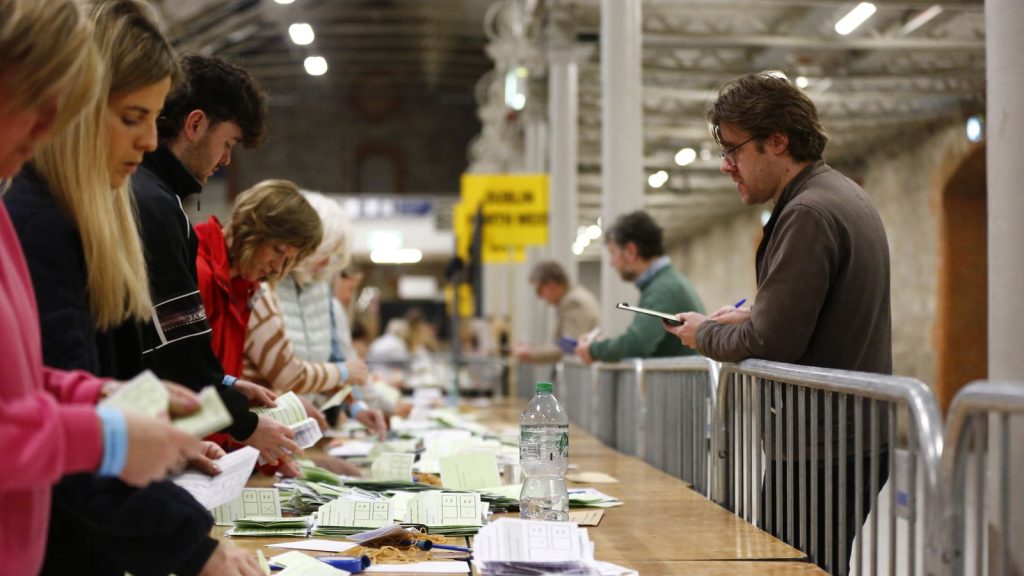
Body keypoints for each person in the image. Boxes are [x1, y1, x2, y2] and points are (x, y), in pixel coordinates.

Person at [0, 1, 203, 573]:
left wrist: (99, 398)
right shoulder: (32, 217)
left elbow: (25, 383)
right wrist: (103, 436)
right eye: (129, 117)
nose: (46, 128)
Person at [664, 72, 892, 574]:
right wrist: (754, 311)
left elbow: (772, 341)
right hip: (843, 439)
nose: (727, 166)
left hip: (824, 448)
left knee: (788, 569)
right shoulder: (837, 194)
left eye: (733, 150)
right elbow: (812, 312)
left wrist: (704, 334)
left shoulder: (808, 212)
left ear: (778, 140)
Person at [132, 54, 300, 471]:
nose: (226, 160)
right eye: (227, 143)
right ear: (193, 124)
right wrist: (242, 424)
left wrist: (225, 385)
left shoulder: (160, 198)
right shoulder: (154, 203)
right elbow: (175, 354)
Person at [243, 191, 387, 441]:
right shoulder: (264, 285)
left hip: (299, 427)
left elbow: (329, 360)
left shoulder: (322, 291)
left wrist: (356, 407)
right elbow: (286, 373)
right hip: (263, 427)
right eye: (323, 252)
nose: (325, 263)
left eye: (333, 255)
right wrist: (343, 372)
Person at [575, 210, 704, 364]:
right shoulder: (667, 282)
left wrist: (594, 350)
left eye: (613, 253)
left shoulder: (662, 289)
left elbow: (638, 343)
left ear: (630, 251)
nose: (611, 263)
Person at [515, 260, 599, 363]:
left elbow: (570, 346)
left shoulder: (574, 302)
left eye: (539, 290)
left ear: (552, 284)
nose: (539, 296)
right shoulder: (568, 301)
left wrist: (531, 353)